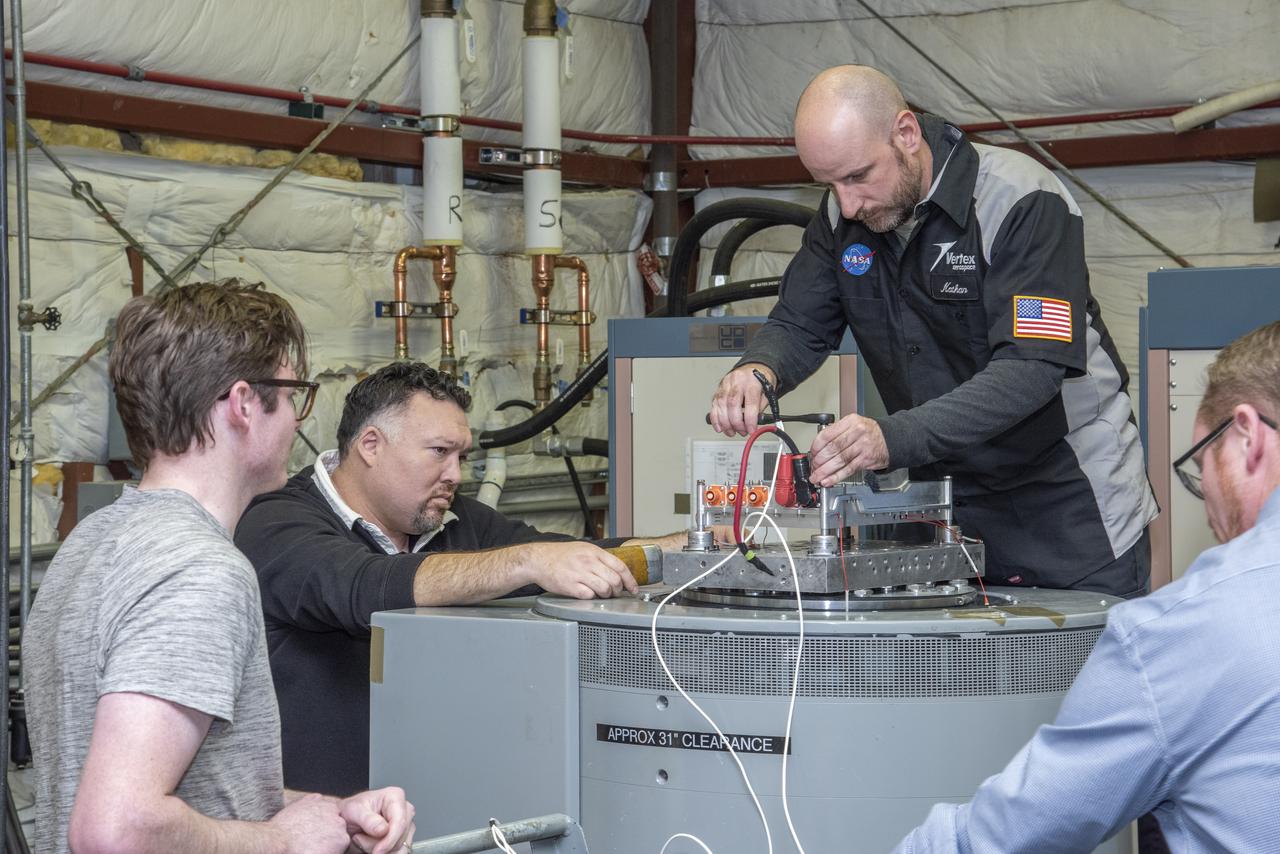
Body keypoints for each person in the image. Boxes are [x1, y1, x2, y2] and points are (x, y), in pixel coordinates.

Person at [708, 65, 1157, 596]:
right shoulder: (842, 218)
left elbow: (1031, 368)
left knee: (1074, 674)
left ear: (906, 133)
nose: (846, 203)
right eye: (828, 184)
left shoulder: (1021, 200)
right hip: (944, 505)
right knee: (947, 676)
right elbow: (800, 321)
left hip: (1065, 504)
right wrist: (760, 369)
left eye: (857, 177)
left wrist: (891, 438)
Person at [22, 281, 415, 854]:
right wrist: (282, 844)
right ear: (244, 404)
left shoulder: (92, 541)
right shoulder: (201, 571)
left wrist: (321, 816)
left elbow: (191, 794)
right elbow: (116, 829)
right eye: (294, 394)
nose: (297, 422)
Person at [894, 320, 1280, 852]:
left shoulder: (1185, 634)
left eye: (1199, 468)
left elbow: (1008, 835)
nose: (1209, 505)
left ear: (1247, 436)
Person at [235, 361, 686, 796]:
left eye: (461, 456)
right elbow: (364, 588)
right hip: (319, 826)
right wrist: (527, 561)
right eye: (439, 452)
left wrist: (688, 545)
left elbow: (573, 555)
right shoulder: (278, 523)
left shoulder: (455, 521)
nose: (455, 474)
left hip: (439, 807)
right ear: (371, 446)